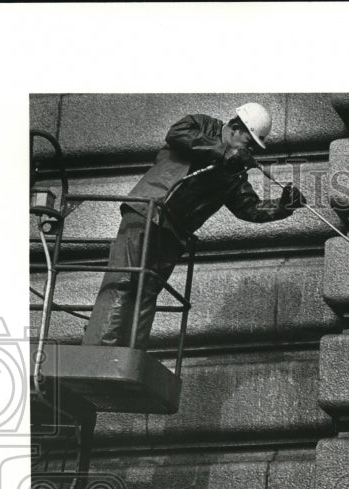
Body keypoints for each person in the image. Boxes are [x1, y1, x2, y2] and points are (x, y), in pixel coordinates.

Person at [82, 102, 305, 348]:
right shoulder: (202, 125)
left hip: (173, 233)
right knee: (124, 280)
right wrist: (221, 152)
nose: (249, 150)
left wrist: (283, 207)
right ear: (234, 128)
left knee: (147, 294)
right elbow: (177, 134)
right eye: (248, 142)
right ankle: (100, 350)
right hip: (148, 210)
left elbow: (249, 208)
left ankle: (131, 354)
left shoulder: (234, 173)